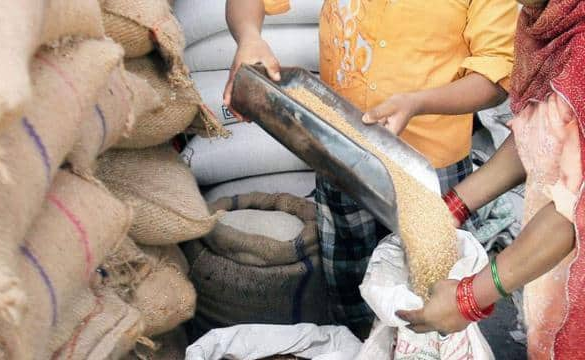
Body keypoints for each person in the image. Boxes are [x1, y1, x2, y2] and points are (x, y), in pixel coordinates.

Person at [224, 0, 518, 337]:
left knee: (433, 305)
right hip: (340, 157)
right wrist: (248, 37)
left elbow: (497, 77)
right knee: (352, 291)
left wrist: (418, 102)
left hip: (430, 173)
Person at [396, 0, 585, 358]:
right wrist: (451, 206)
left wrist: (469, 298)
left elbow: (574, 207)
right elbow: (542, 132)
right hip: (558, 264)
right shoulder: (548, 19)